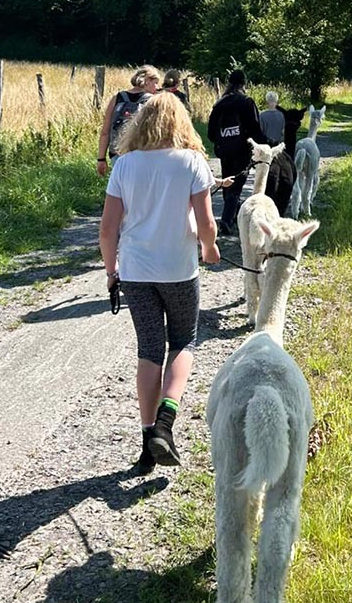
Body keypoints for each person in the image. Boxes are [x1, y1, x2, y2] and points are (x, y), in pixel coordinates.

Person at [99, 93, 222, 473]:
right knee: (183, 341)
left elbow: (107, 230)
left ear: (140, 122)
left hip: (136, 272)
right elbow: (206, 224)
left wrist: (111, 272)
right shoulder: (192, 162)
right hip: (178, 270)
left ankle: (146, 440)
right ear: (179, 122)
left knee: (149, 349)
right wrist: (210, 249)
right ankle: (166, 424)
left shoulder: (124, 164)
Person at [207, 70, 269, 236]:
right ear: (244, 83)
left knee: (227, 181)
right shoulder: (246, 102)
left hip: (224, 150)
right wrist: (267, 143)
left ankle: (233, 215)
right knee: (237, 183)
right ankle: (227, 220)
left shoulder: (219, 104)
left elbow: (211, 134)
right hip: (242, 150)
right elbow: (255, 129)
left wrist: (223, 140)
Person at [96, 65, 162, 177]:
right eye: (155, 83)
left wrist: (101, 159)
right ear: (147, 81)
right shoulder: (153, 101)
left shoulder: (117, 98)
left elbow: (105, 132)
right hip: (143, 153)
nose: (157, 87)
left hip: (117, 153)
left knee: (121, 185)